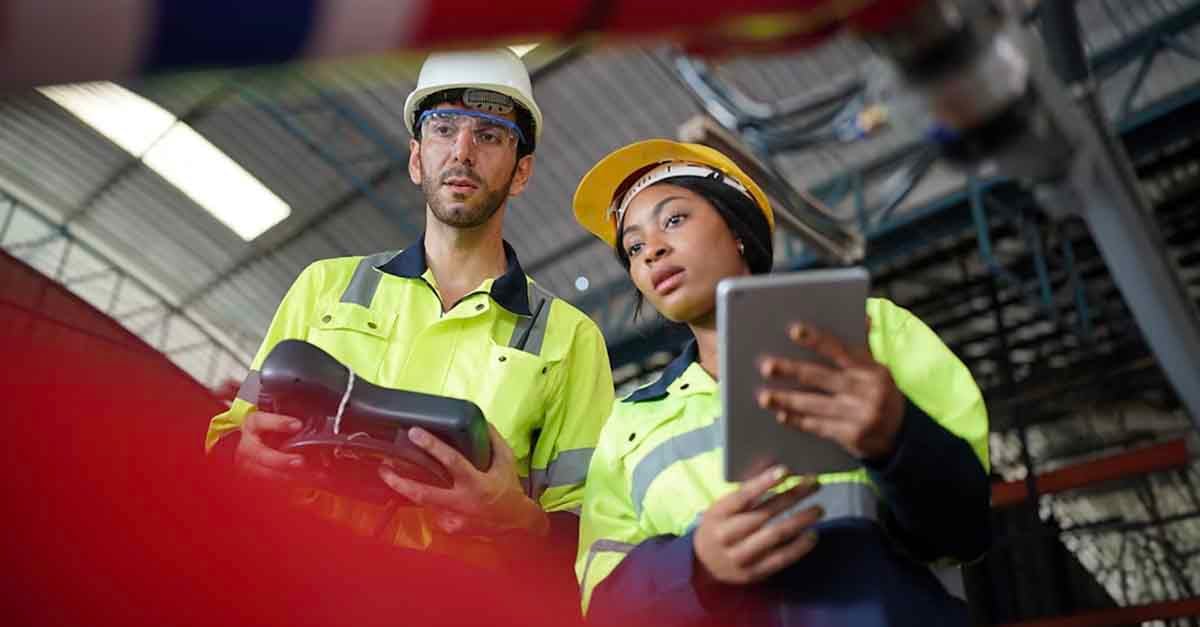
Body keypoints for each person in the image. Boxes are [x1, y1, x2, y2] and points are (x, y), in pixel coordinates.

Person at [204, 49, 614, 567]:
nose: (462, 152)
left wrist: (520, 521)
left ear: (522, 171)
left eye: (488, 135)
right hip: (292, 578)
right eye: (443, 129)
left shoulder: (569, 337)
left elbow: (592, 534)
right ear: (417, 158)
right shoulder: (324, 286)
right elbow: (230, 435)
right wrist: (243, 453)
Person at [570, 139, 991, 626]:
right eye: (634, 247)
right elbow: (603, 609)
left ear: (738, 231)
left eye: (675, 219)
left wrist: (898, 439)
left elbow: (968, 528)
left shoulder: (875, 334)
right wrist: (695, 567)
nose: (652, 252)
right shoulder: (628, 426)